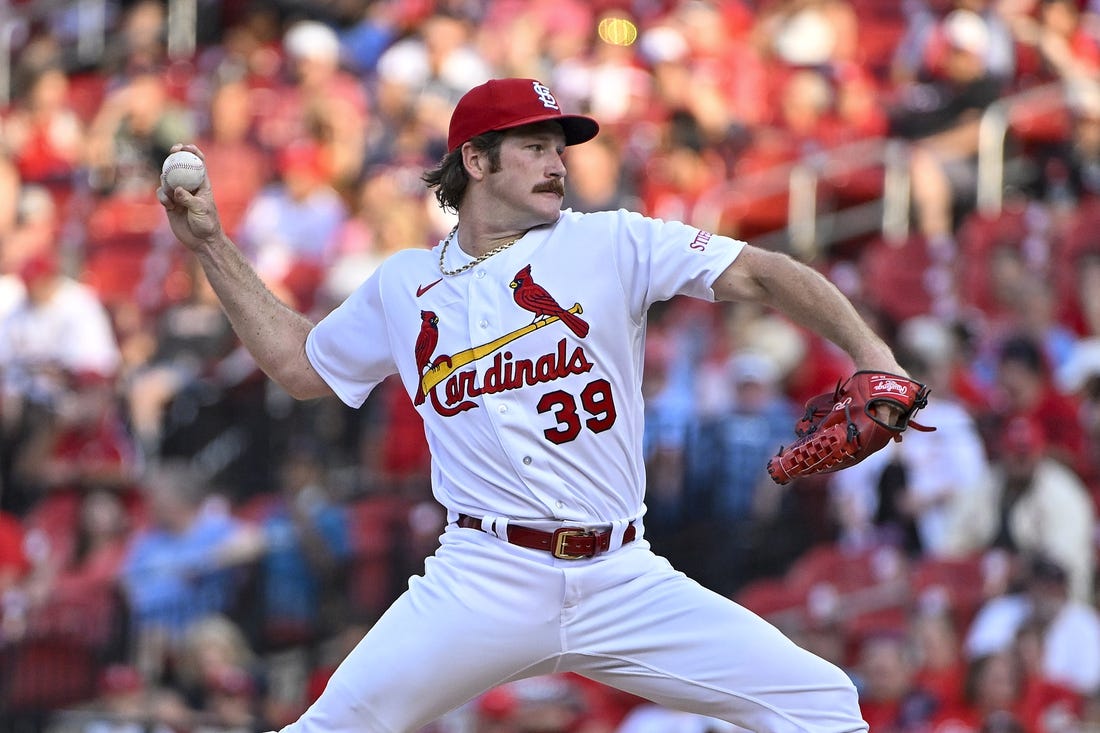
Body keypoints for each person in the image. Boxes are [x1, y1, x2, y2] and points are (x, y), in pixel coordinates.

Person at [158, 77, 914, 732]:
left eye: (562, 147)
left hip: (622, 573)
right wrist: (212, 247)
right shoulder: (404, 283)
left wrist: (873, 355)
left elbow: (765, 273)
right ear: (476, 161)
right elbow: (299, 365)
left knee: (820, 701)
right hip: (483, 575)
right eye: (535, 146)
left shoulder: (612, 241)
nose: (559, 163)